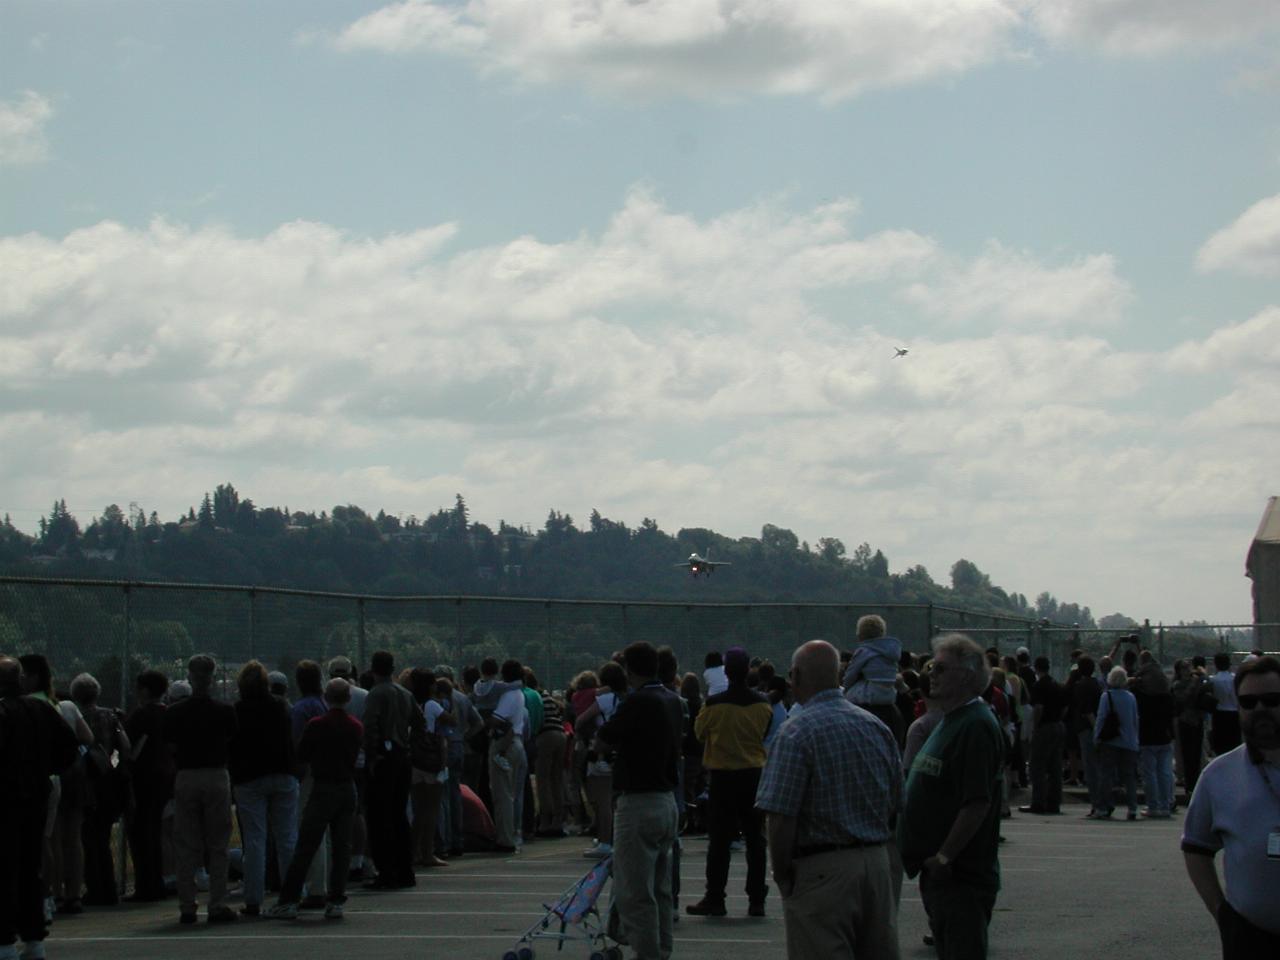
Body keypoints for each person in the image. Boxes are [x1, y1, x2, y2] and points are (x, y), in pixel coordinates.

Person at [756, 639, 902, 960]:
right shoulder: (876, 727)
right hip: (876, 862)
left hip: (822, 868)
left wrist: (782, 875)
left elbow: (780, 817)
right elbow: (895, 801)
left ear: (795, 675)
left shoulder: (796, 733)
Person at [899, 634, 1005, 960]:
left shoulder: (975, 725)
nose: (931, 673)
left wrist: (944, 856)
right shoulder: (951, 720)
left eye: (941, 668)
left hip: (961, 878)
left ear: (967, 675)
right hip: (941, 877)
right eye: (932, 666)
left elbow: (977, 802)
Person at [1182, 655, 1280, 956]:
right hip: (1251, 942)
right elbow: (1196, 849)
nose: (1260, 709)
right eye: (1249, 703)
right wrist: (1222, 914)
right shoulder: (1218, 776)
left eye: (1272, 699)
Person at [597, 642, 682, 960]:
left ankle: (647, 953)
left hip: (638, 802)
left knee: (634, 891)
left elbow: (604, 740)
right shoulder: (673, 700)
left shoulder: (637, 701)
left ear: (629, 670)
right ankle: (662, 948)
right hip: (666, 800)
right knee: (660, 888)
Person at [1, 656, 80, 960]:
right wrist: (46, 769)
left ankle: (4, 940)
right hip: (36, 795)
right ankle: (34, 939)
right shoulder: (42, 710)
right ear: (20, 680)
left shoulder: (3, 712)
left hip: (5, 798)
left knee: (4, 869)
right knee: (30, 868)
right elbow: (69, 748)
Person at [266, 678, 364, 921]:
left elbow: (302, 754)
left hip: (323, 787)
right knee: (342, 847)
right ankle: (336, 900)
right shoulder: (355, 726)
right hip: (346, 786)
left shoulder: (316, 724)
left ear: (326, 697)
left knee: (307, 845)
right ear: (348, 699)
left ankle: (288, 900)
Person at [688, 646, 773, 918]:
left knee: (720, 841)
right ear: (748, 670)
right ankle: (756, 899)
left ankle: (716, 897)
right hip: (753, 774)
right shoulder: (763, 704)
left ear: (726, 671)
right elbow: (765, 731)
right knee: (755, 839)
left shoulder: (714, 705)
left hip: (723, 776)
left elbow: (700, 734)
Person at [162, 653, 239, 924]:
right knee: (218, 843)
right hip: (216, 774)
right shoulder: (225, 711)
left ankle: (187, 905)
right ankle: (217, 904)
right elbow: (232, 742)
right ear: (213, 677)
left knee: (186, 842)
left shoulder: (174, 713)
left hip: (186, 775)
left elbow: (170, 746)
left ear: (190, 676)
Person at [229, 660, 298, 917]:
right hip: (282, 772)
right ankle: (291, 893)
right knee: (287, 837)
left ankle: (253, 899)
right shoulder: (280, 706)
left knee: (255, 840)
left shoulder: (237, 710)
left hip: (249, 777)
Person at [362, 650, 422, 888]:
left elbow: (370, 726)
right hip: (402, 757)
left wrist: (372, 755)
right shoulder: (405, 693)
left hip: (384, 758)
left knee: (379, 817)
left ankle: (386, 872)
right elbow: (420, 722)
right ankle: (405, 870)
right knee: (399, 816)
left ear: (373, 669)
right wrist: (410, 745)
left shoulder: (376, 694)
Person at [70, 672, 131, 907]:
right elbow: (124, 747)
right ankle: (109, 887)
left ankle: (94, 887)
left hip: (84, 783)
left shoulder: (76, 718)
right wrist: (114, 764)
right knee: (103, 837)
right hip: (108, 782)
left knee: (87, 837)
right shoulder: (110, 717)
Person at [125, 669, 173, 902]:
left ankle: (146, 885)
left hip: (144, 778)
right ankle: (158, 882)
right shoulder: (169, 714)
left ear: (145, 690)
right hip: (166, 778)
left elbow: (128, 750)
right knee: (155, 831)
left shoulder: (141, 716)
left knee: (140, 832)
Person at [842, 615, 905, 749]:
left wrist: (845, 687)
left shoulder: (864, 651)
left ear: (861, 634)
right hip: (888, 695)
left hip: (870, 695)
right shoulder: (891, 652)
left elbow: (851, 673)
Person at [487, 659, 529, 853]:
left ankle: (505, 838)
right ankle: (513, 834)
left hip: (505, 743)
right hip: (517, 743)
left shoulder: (509, 696)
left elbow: (497, 719)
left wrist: (484, 715)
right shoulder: (519, 694)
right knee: (512, 794)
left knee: (501, 794)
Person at [1093, 666, 1140, 820]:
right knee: (1129, 777)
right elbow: (1135, 720)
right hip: (1129, 742)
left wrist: (1096, 738)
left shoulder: (1106, 697)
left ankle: (1103, 807)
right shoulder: (1131, 697)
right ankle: (1132, 808)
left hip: (1111, 741)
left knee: (1106, 775)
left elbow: (1101, 719)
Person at [1132, 651, 1175, 818]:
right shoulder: (1166, 692)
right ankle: (1166, 804)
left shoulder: (1141, 693)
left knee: (1149, 773)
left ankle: (1153, 805)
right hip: (1164, 735)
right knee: (1165, 772)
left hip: (1147, 736)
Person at [1020, 656, 1064, 815]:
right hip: (1058, 724)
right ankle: (1054, 802)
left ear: (1036, 668)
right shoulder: (1056, 685)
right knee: (1055, 766)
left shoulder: (1039, 686)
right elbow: (1064, 707)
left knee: (1037, 766)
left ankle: (1038, 802)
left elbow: (1038, 708)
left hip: (1045, 726)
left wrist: (1035, 727)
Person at [1067, 658, 1105, 818]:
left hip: (1087, 729)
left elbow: (1086, 710)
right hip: (1099, 728)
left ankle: (1097, 805)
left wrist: (1095, 728)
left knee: (1091, 769)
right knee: (1100, 768)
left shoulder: (1080, 686)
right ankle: (1104, 803)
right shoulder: (1097, 684)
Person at [1209, 653, 1241, 756]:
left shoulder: (1213, 680)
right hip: (1234, 713)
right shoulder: (1235, 679)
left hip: (1219, 714)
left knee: (1221, 745)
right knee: (1234, 743)